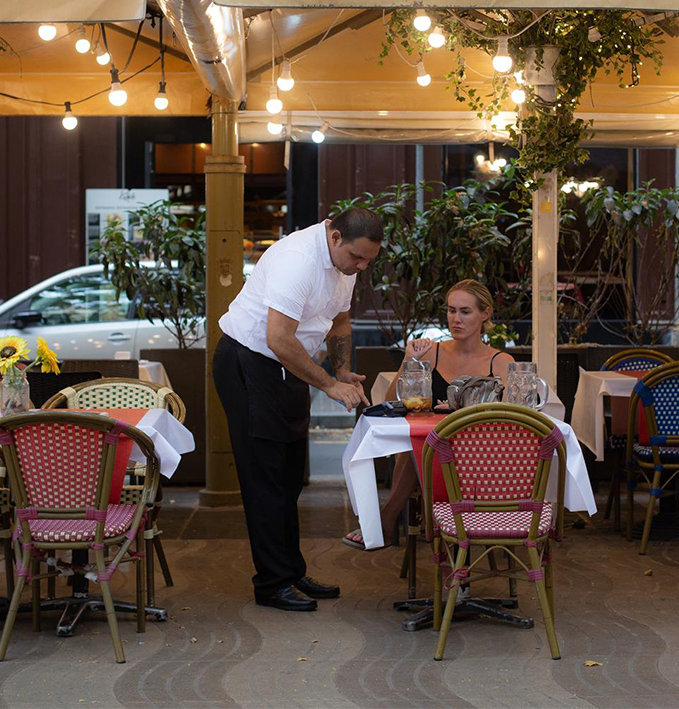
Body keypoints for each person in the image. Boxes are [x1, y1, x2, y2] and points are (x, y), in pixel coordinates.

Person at [212, 208, 383, 612]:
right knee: (265, 477)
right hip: (249, 362)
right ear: (335, 236)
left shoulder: (346, 263)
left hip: (287, 364)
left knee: (289, 477)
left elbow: (340, 321)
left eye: (368, 261)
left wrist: (342, 369)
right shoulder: (298, 260)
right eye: (357, 258)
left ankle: (290, 570)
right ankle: (272, 583)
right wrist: (329, 385)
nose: (360, 267)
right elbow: (277, 338)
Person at [342, 279, 516, 551]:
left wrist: (462, 410)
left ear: (485, 314)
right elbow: (389, 401)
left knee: (421, 448)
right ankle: (418, 534)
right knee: (421, 446)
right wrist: (408, 361)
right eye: (451, 310)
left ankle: (386, 522)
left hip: (480, 456)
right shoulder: (431, 352)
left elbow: (508, 416)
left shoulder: (500, 362)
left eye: (465, 312)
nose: (455, 319)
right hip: (431, 450)